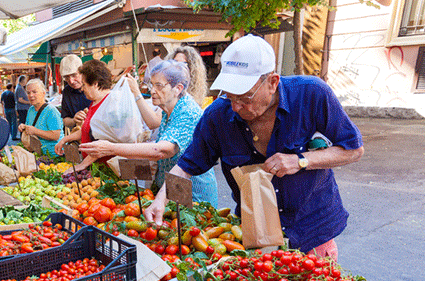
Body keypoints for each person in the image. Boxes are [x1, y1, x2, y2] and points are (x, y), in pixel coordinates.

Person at [144, 34, 365, 260]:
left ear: (272, 82)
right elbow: (187, 164)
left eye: (245, 97)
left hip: (311, 231)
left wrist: (300, 160)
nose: (237, 106)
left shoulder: (311, 94)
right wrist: (161, 199)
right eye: (230, 96)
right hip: (255, 234)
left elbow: (353, 149)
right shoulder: (218, 115)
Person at [79, 60, 219, 205]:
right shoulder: (167, 109)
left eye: (159, 85)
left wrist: (111, 148)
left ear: (178, 88)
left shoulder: (187, 111)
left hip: (193, 196)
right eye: (152, 84)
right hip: (171, 189)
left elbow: (163, 150)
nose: (152, 90)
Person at [55, 59, 113, 172]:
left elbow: (102, 142)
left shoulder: (108, 104)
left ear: (95, 84)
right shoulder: (93, 102)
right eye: (66, 78)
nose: (82, 89)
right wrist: (65, 139)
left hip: (105, 168)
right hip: (94, 166)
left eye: (84, 85)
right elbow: (88, 130)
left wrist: (82, 165)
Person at [18, 79, 63, 156]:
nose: (31, 95)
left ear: (43, 93)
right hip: (37, 154)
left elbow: (56, 136)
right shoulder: (31, 110)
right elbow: (30, 128)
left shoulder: (51, 111)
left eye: (34, 92)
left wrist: (35, 131)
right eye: (28, 93)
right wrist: (24, 127)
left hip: (53, 156)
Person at [59, 54, 92, 130]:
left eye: (74, 75)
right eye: (67, 77)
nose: (71, 81)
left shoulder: (93, 86)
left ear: (82, 72)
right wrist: (74, 120)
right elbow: (65, 119)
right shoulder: (67, 92)